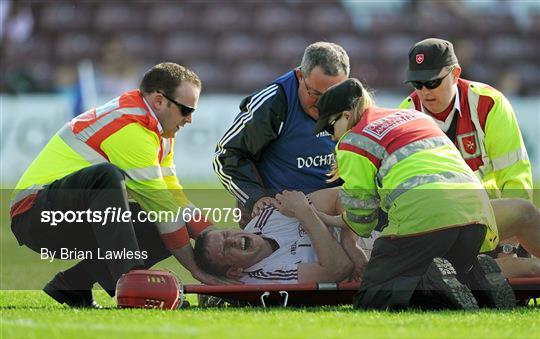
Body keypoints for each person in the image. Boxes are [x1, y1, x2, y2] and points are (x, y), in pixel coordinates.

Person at [10, 62, 228, 308]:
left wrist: (214, 235)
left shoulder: (159, 132)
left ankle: (74, 284)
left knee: (164, 226)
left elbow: (175, 201)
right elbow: (164, 210)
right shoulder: (131, 128)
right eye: (186, 110)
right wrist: (199, 272)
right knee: (107, 177)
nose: (189, 119)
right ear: (158, 101)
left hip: (66, 210)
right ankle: (134, 287)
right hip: (35, 214)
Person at [312, 78, 515, 310]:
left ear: (346, 115)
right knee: (451, 273)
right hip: (477, 218)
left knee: (373, 297)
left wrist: (330, 220)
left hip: (428, 219)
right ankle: (477, 277)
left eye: (330, 127)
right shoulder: (415, 116)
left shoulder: (353, 142)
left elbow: (362, 218)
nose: (332, 137)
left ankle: (431, 283)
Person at [398, 38, 538, 258]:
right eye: (417, 83)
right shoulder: (407, 115)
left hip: (492, 214)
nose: (424, 92)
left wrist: (513, 240)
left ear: (455, 74)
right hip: (440, 223)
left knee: (525, 220)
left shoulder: (489, 104)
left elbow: (514, 174)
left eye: (432, 82)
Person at [213, 42, 349, 225]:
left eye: (333, 95)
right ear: (300, 76)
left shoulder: (353, 99)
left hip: (336, 214)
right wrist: (256, 198)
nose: (324, 104)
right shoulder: (273, 102)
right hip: (283, 219)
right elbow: (226, 154)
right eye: (315, 94)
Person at [194, 188, 367, 285]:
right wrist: (304, 212)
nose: (231, 240)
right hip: (373, 263)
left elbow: (343, 195)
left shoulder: (266, 217)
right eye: (226, 249)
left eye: (226, 234)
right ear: (234, 271)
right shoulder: (266, 277)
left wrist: (350, 241)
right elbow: (339, 268)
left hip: (366, 227)